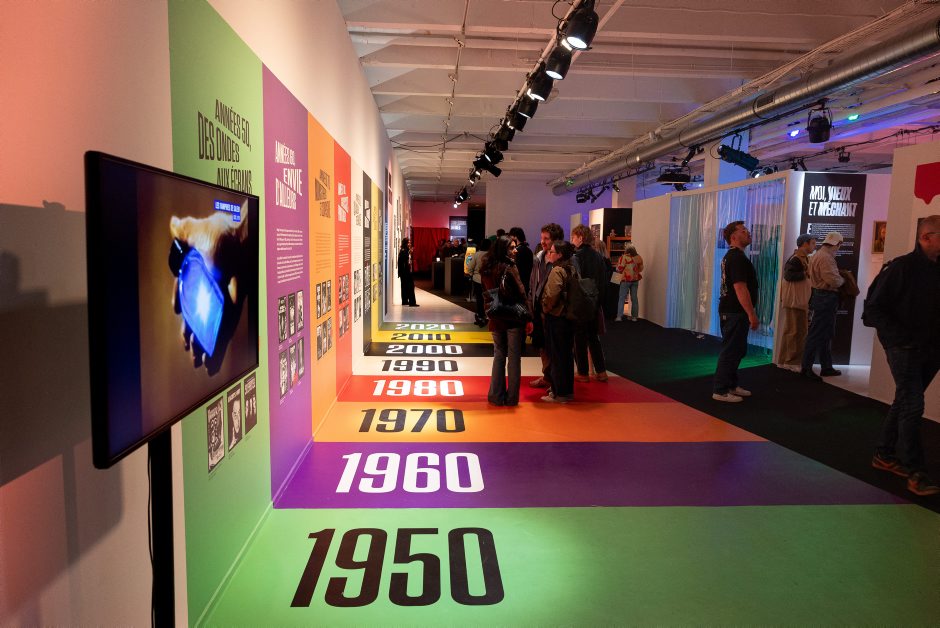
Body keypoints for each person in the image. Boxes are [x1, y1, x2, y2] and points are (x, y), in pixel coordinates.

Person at [864, 215, 940, 496]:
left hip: (930, 349)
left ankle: (883, 453)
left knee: (905, 401)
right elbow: (873, 309)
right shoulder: (902, 268)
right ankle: (916, 471)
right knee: (913, 405)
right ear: (926, 237)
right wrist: (900, 339)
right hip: (904, 349)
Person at [480, 235, 533, 406]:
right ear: (503, 249)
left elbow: (486, 293)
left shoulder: (486, 268)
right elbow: (521, 293)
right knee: (514, 358)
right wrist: (528, 317)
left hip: (496, 316)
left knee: (499, 356)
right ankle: (511, 399)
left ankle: (495, 396)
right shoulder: (510, 268)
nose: (515, 250)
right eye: (511, 247)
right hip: (513, 317)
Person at [712, 221, 759, 403]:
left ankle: (730, 384)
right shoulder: (737, 258)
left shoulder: (733, 257)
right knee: (731, 351)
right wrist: (751, 314)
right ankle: (720, 390)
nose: (748, 232)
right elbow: (740, 288)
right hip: (734, 312)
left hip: (733, 312)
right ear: (733, 237)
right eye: (743, 230)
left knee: (737, 350)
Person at [800, 231, 844, 379]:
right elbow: (833, 280)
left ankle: (826, 367)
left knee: (824, 333)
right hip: (825, 297)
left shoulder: (818, 255)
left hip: (821, 296)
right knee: (817, 333)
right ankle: (807, 368)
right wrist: (844, 281)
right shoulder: (826, 258)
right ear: (838, 244)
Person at [528, 222, 564, 389]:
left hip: (555, 310)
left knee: (555, 347)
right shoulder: (538, 257)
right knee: (542, 345)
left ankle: (556, 382)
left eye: (546, 238)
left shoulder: (561, 261)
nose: (542, 241)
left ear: (555, 240)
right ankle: (547, 377)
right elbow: (533, 282)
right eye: (542, 237)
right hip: (539, 308)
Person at [571, 224, 609, 382]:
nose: (572, 240)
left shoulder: (576, 256)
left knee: (579, 338)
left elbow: (575, 280)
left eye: (573, 237)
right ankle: (601, 371)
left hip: (581, 302)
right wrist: (599, 301)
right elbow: (603, 281)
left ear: (580, 238)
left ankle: (583, 372)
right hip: (595, 301)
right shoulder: (598, 256)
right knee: (593, 337)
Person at [541, 240, 577, 402]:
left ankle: (558, 392)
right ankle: (566, 391)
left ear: (560, 254)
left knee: (557, 356)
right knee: (567, 355)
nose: (549, 253)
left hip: (557, 317)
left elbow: (551, 295)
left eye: (552, 251)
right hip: (569, 317)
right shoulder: (572, 268)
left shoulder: (557, 270)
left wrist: (545, 308)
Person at [777, 234, 816, 370]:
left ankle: (785, 360)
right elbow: (788, 275)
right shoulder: (796, 259)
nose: (814, 246)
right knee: (796, 332)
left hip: (798, 301)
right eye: (812, 243)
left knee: (793, 331)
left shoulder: (802, 259)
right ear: (805, 244)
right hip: (795, 301)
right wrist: (805, 274)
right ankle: (791, 362)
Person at [614, 244, 644, 322]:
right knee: (634, 298)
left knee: (622, 298)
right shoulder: (638, 257)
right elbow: (641, 269)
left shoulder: (624, 257)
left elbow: (619, 269)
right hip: (635, 280)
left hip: (625, 280)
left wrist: (617, 269)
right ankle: (634, 317)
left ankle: (619, 317)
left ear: (626, 250)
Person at [466, 238, 489, 327]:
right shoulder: (491, 255)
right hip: (488, 281)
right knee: (489, 299)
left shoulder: (476, 255)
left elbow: (470, 267)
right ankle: (488, 317)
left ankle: (480, 317)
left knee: (479, 299)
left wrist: (472, 275)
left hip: (477, 280)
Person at [509, 227, 533, 295]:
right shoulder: (529, 250)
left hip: (517, 286)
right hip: (527, 284)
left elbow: (514, 270)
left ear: (515, 237)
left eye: (511, 236)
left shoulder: (516, 251)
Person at [398, 238, 418, 307]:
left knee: (404, 286)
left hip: (404, 272)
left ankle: (405, 301)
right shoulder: (405, 251)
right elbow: (405, 260)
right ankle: (412, 302)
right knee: (410, 286)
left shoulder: (403, 250)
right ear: (405, 243)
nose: (409, 244)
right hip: (406, 272)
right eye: (408, 242)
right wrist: (410, 252)